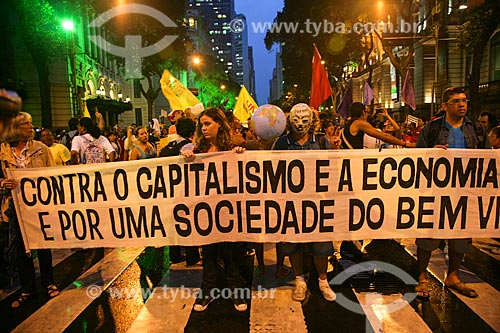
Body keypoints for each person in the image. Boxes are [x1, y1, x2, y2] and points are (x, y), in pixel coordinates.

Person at [414, 87, 491, 299]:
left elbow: (488, 160)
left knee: (460, 236)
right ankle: (421, 277)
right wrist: (431, 153)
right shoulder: (431, 129)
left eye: (464, 100)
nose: (462, 104)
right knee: (428, 234)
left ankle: (453, 275)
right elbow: (417, 158)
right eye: (456, 101)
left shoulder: (476, 129)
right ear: (444, 106)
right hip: (437, 192)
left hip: (465, 192)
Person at [182, 108, 247, 312]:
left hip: (228, 210)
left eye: (208, 123)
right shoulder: (198, 149)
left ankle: (236, 291)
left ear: (219, 124)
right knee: (209, 251)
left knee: (230, 252)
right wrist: (187, 158)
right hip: (206, 211)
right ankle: (207, 290)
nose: (204, 128)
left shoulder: (231, 147)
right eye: (202, 125)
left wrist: (240, 157)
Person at [272, 103, 338, 302]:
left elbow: (334, 168)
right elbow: (271, 169)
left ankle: (322, 280)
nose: (300, 124)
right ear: (289, 121)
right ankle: (299, 279)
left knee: (321, 244)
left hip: (317, 202)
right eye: (296, 120)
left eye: (304, 120)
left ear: (312, 121)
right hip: (291, 202)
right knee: (293, 244)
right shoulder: (281, 143)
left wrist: (336, 150)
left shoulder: (322, 141)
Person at [0, 112, 60, 308]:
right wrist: (3, 184)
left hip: (39, 205)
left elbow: (53, 176)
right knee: (19, 250)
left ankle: (48, 282)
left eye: (31, 123)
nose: (31, 126)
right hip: (14, 207)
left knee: (43, 245)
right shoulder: (2, 153)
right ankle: (27, 289)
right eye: (26, 123)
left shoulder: (41, 149)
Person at [341, 102, 415, 149]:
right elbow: (384, 136)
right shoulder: (359, 123)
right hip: (354, 161)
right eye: (366, 111)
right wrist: (405, 144)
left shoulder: (349, 124)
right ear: (363, 112)